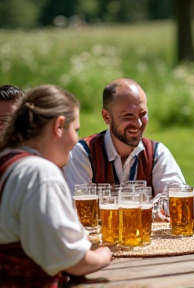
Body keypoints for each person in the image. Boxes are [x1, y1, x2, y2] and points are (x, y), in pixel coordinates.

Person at [0, 84, 112, 287]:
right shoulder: (39, 173)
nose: (77, 139)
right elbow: (72, 261)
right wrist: (105, 254)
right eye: (75, 129)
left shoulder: (7, 162)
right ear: (59, 125)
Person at [63, 78, 185, 197]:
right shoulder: (83, 153)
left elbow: (176, 200)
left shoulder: (157, 154)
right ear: (106, 117)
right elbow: (77, 211)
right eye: (128, 116)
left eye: (142, 114)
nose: (138, 124)